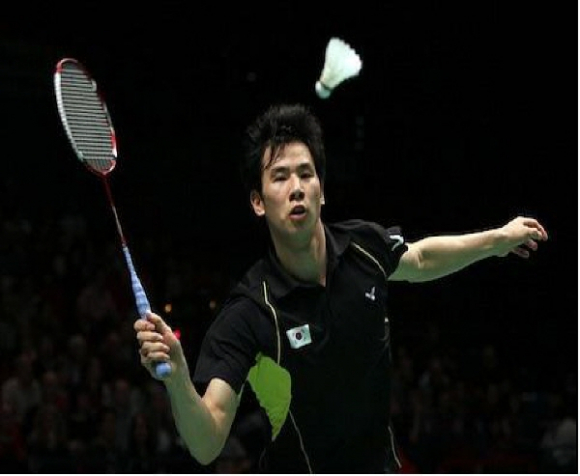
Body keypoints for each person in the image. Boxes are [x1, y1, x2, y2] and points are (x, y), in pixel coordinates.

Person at [134, 103, 548, 473]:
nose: (296, 187)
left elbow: (421, 259)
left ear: (322, 191)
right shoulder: (252, 312)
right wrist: (178, 379)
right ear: (258, 202)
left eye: (306, 173)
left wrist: (497, 240)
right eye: (280, 177)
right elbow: (207, 443)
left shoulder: (362, 249)